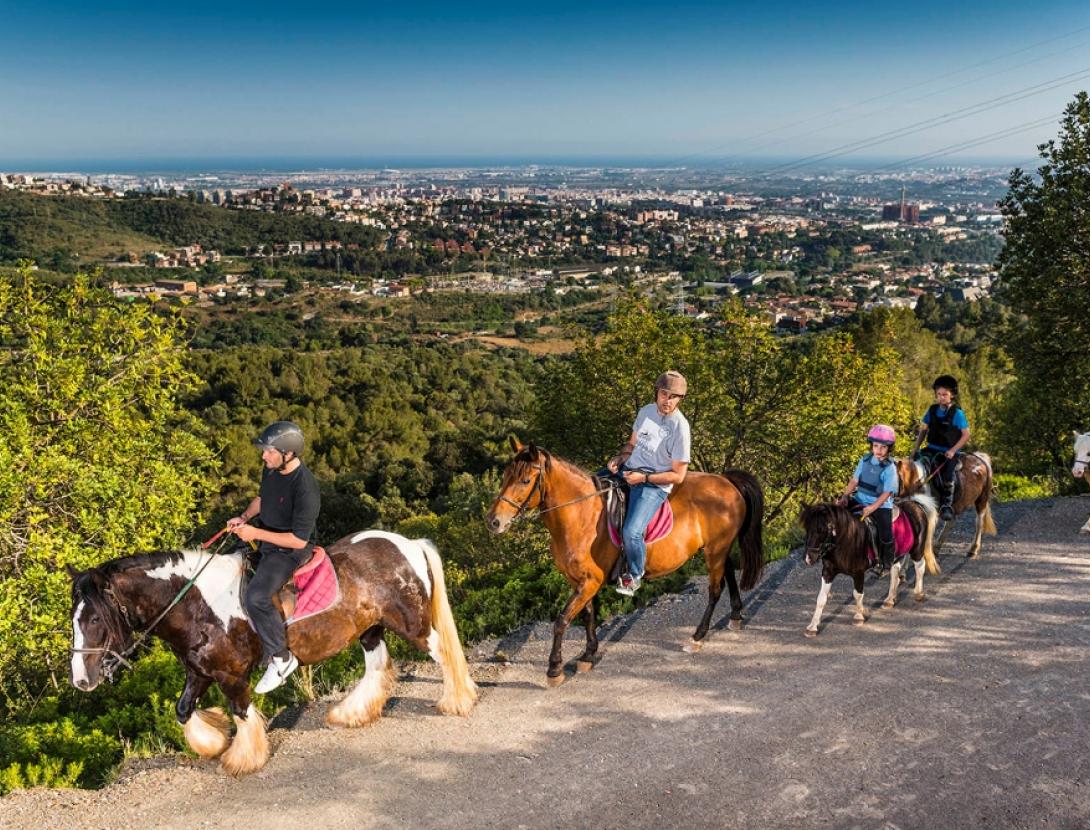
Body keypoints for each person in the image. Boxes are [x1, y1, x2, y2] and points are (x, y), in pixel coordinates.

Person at [229, 420, 321, 693]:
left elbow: (298, 539)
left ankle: (281, 658)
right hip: (266, 537)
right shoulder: (272, 470)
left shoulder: (305, 488)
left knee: (256, 596)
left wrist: (254, 533)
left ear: (288, 453)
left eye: (269, 451)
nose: (263, 455)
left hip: (289, 550)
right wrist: (244, 517)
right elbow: (262, 498)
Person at [606, 370, 691, 596]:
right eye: (665, 394)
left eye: (674, 397)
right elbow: (632, 445)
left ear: (680, 399)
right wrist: (620, 458)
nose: (668, 401)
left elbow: (678, 476)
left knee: (632, 531)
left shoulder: (680, 428)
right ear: (657, 393)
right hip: (629, 470)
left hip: (653, 484)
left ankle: (634, 575)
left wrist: (643, 478)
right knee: (590, 486)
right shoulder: (646, 412)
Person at [837, 424, 899, 576]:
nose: (878, 450)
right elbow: (854, 481)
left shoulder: (889, 467)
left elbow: (887, 492)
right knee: (836, 514)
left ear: (889, 448)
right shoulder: (864, 460)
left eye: (883, 447)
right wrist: (845, 496)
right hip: (859, 498)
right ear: (871, 446)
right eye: (876, 446)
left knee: (886, 533)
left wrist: (872, 508)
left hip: (881, 504)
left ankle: (886, 562)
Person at [912, 375, 970, 522]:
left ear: (952, 395)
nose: (941, 397)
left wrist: (952, 450)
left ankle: (946, 505)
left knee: (947, 475)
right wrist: (915, 449)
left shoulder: (957, 413)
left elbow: (965, 435)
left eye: (945, 394)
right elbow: (923, 431)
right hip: (931, 448)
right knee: (915, 467)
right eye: (938, 394)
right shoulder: (931, 410)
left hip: (949, 451)